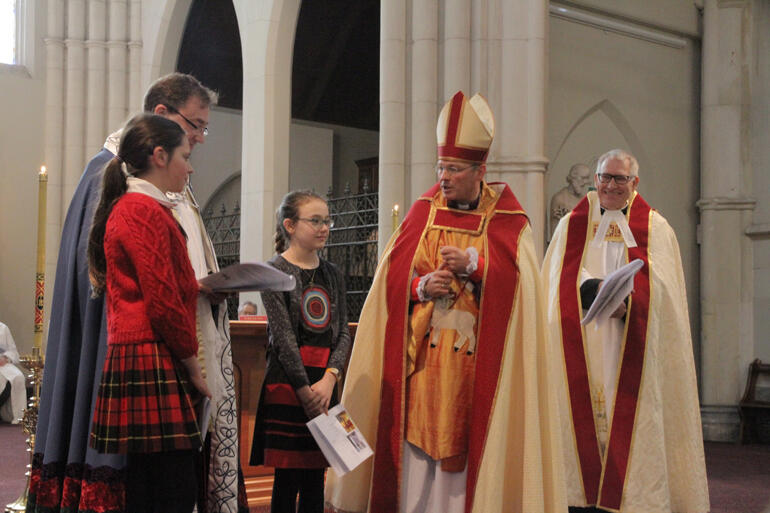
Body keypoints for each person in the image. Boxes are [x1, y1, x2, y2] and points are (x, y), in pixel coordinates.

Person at [325, 91, 566, 513]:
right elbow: (388, 282)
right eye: (441, 167)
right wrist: (421, 287)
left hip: (476, 371)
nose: (444, 176)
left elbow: (526, 293)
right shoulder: (423, 211)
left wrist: (476, 266)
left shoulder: (510, 221)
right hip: (421, 369)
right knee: (415, 461)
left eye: (454, 168)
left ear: (480, 171)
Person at [28, 73, 236, 513]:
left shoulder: (151, 189)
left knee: (160, 482)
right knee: (160, 486)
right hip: (148, 355)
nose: (198, 142)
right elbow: (150, 294)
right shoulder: (127, 192)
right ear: (162, 118)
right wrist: (191, 364)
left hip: (152, 350)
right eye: (194, 127)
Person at [542, 149, 710, 513]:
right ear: (596, 179)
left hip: (629, 341)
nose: (611, 185)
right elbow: (555, 279)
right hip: (584, 340)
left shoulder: (656, 228)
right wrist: (592, 292)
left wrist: (629, 304)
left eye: (620, 179)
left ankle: (633, 499)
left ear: (635, 183)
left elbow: (666, 292)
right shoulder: (571, 223)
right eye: (605, 177)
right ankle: (579, 498)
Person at [86, 113, 210, 513]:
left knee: (150, 483)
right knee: (173, 489)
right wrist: (193, 366)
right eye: (184, 156)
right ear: (159, 156)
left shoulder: (136, 207)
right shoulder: (142, 210)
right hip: (151, 352)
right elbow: (163, 300)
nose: (189, 167)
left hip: (141, 350)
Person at [250, 190, 352, 513]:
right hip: (289, 385)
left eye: (326, 221)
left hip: (324, 383)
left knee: (315, 478)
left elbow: (343, 333)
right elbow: (282, 337)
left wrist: (330, 379)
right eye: (315, 221)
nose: (324, 228)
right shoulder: (274, 271)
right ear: (290, 225)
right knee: (287, 478)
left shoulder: (332, 274)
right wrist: (304, 389)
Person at [549, 162, 592, 235]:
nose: (585, 182)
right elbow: (557, 231)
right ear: (573, 177)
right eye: (583, 178)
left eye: (587, 179)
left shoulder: (584, 199)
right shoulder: (560, 199)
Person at [0, 322, 26, 424]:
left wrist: (5, 357)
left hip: (3, 364)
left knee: (18, 377)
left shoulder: (3, 328)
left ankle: (18, 416)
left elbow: (13, 351)